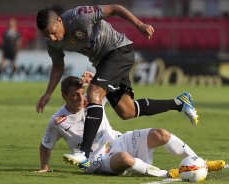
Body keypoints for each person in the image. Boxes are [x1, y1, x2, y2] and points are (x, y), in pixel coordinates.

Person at [35, 4, 199, 162]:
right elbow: (57, 66)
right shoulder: (53, 43)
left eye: (53, 32)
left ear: (59, 21)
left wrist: (140, 25)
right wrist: (48, 93)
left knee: (93, 92)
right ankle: (180, 103)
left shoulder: (80, 16)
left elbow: (115, 8)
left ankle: (84, 153)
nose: (51, 38)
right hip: (103, 62)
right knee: (127, 111)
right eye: (46, 36)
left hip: (118, 50)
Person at [37, 74, 225, 178]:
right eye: (74, 96)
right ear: (64, 97)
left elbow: (110, 89)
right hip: (96, 160)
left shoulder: (93, 100)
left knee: (161, 134)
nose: (80, 98)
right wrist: (45, 166)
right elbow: (46, 145)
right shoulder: (58, 121)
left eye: (82, 93)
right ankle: (165, 174)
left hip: (119, 140)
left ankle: (200, 162)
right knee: (126, 159)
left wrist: (95, 78)